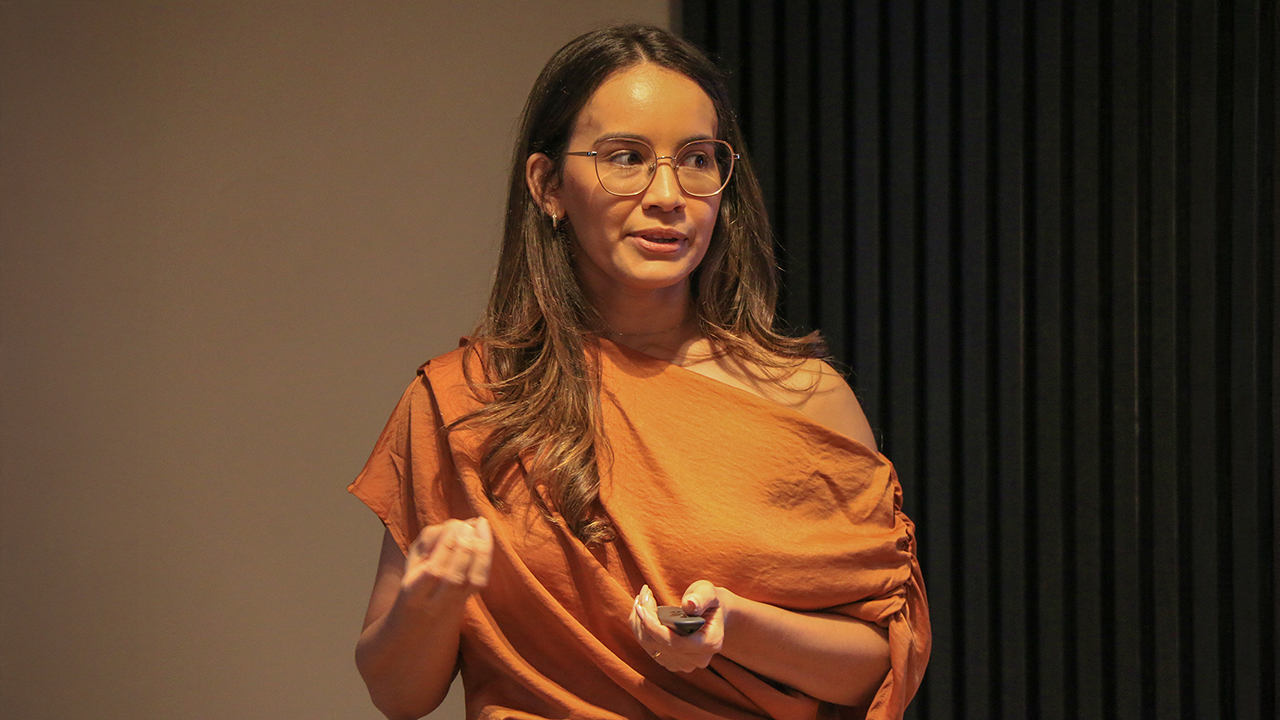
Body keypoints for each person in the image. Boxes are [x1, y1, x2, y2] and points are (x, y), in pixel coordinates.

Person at [349, 24, 929, 720]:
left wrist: (735, 629)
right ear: (548, 186)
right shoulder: (464, 401)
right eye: (625, 157)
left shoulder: (803, 398)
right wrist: (429, 598)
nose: (668, 194)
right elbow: (396, 694)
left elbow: (875, 667)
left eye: (697, 160)